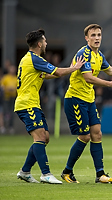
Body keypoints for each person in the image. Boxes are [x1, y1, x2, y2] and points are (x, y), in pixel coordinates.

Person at [15, 29, 86, 184]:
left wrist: (69, 70)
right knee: (39, 137)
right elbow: (58, 72)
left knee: (45, 138)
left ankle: (25, 171)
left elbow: (49, 74)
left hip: (32, 104)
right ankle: (46, 173)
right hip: (27, 104)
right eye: (45, 41)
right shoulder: (35, 58)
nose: (46, 43)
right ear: (39, 44)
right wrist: (73, 68)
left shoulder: (28, 59)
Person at [61, 24, 112, 184]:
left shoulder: (99, 55)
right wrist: (110, 85)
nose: (97, 38)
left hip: (88, 100)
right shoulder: (84, 54)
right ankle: (67, 172)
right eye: (93, 35)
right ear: (86, 38)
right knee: (85, 136)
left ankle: (100, 174)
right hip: (75, 99)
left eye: (99, 35)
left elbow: (109, 70)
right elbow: (88, 77)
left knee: (97, 134)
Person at [1, 64, 17, 133]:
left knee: (12, 112)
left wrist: (13, 89)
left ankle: (11, 127)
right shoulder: (5, 78)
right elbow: (2, 87)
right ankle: (3, 126)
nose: (12, 70)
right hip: (6, 97)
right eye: (11, 69)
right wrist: (7, 89)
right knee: (5, 112)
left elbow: (18, 87)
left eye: (14, 69)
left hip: (13, 97)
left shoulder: (16, 78)